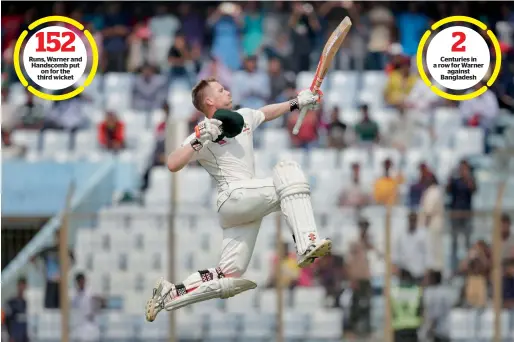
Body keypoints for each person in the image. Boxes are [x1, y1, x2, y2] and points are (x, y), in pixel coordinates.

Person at [145, 77, 331, 321]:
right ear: (210, 100)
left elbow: (265, 113)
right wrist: (199, 140)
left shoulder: (243, 117)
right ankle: (307, 243)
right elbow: (172, 163)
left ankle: (170, 294)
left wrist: (296, 103)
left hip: (243, 207)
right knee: (288, 172)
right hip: (233, 196)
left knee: (228, 274)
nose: (228, 91)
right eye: (221, 90)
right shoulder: (204, 130)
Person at [391, 269, 423, 342]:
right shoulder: (417, 290)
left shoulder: (394, 291)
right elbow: (421, 309)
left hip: (398, 326)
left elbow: (391, 310)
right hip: (413, 326)